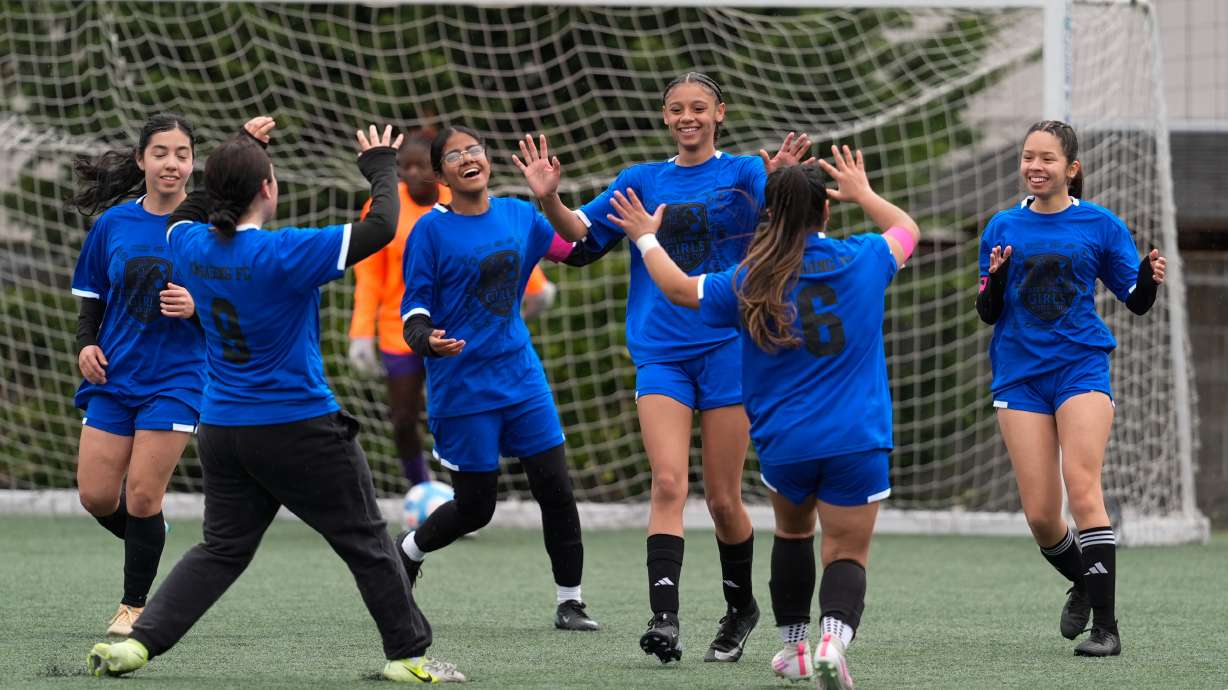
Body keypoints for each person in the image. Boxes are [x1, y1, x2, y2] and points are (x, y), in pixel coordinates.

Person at [86, 119, 464, 683]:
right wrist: (381, 164)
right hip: (298, 427)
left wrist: (240, 152)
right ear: (268, 189)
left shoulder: (185, 244)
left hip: (223, 430)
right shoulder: (286, 252)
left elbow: (190, 213)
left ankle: (136, 645)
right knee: (365, 539)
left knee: (221, 550)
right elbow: (384, 226)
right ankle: (409, 657)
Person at [514, 71, 812, 663]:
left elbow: (791, 220)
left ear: (719, 113)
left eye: (699, 108)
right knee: (669, 482)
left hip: (730, 348)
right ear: (665, 117)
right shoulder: (640, 180)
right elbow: (577, 236)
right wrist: (548, 196)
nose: (687, 117)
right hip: (661, 353)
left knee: (725, 498)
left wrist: (780, 180)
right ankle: (664, 618)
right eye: (677, 109)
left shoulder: (748, 174)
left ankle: (739, 609)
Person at [395, 125, 599, 632]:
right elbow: (413, 308)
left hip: (521, 376)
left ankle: (570, 602)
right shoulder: (429, 231)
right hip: (462, 385)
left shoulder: (518, 214)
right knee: (475, 508)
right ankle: (407, 552)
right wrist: (426, 339)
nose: (469, 159)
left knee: (556, 489)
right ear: (442, 174)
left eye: (475, 150)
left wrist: (549, 198)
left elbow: (578, 243)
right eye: (455, 155)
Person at [976, 120, 1165, 657]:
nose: (1035, 167)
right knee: (1040, 515)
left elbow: (1136, 299)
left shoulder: (1101, 225)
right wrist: (995, 276)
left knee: (1082, 487)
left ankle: (1106, 628)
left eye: (1048, 159)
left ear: (1071, 168)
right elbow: (988, 311)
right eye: (1028, 157)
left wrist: (1150, 277)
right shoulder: (1001, 226)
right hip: (1019, 376)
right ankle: (1085, 581)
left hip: (1080, 369)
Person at [347, 134, 558, 488]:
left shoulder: (460, 199)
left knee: (465, 413)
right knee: (402, 417)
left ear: (434, 174)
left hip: (463, 332)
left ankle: (466, 494)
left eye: (418, 166)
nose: (412, 174)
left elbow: (501, 247)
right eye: (404, 168)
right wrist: (360, 331)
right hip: (402, 328)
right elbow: (369, 275)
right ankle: (421, 488)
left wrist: (536, 285)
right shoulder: (383, 209)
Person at [68, 112, 204, 637]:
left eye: (183, 154)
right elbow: (91, 301)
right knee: (98, 497)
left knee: (144, 496)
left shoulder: (210, 227)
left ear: (193, 163)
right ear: (141, 160)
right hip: (115, 376)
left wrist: (198, 305)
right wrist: (85, 346)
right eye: (162, 153)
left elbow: (240, 298)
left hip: (179, 377)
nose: (172, 163)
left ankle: (134, 608)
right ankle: (152, 535)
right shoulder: (113, 225)